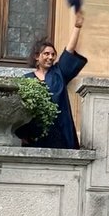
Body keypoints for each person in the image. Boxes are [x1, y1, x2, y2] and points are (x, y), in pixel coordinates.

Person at [21, 9, 87, 149]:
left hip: (59, 133)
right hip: (35, 135)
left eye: (53, 54)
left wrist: (77, 27)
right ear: (36, 56)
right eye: (46, 54)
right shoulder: (26, 80)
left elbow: (69, 51)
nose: (50, 57)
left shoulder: (59, 73)